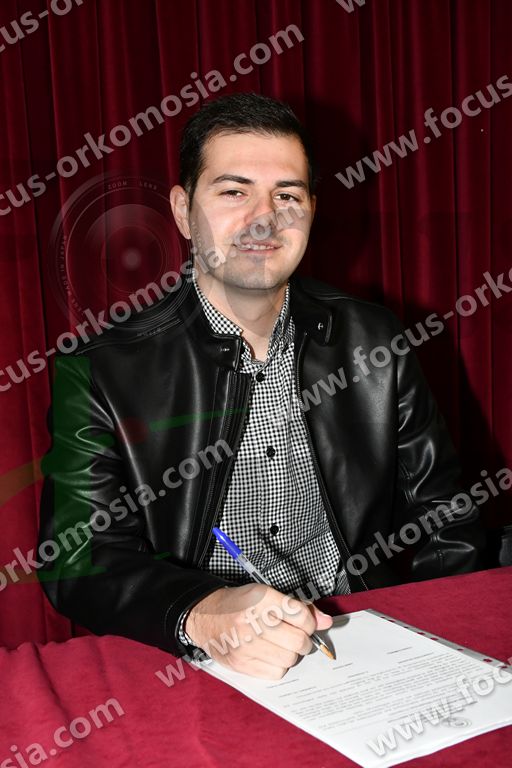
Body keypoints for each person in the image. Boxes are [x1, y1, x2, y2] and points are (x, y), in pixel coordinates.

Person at [38, 92, 485, 680]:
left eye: (288, 195)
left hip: (361, 639)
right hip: (197, 658)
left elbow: (444, 516)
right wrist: (201, 613)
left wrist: (446, 643)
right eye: (234, 191)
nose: (264, 218)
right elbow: (77, 559)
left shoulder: (374, 339)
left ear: (311, 212)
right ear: (182, 211)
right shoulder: (98, 367)